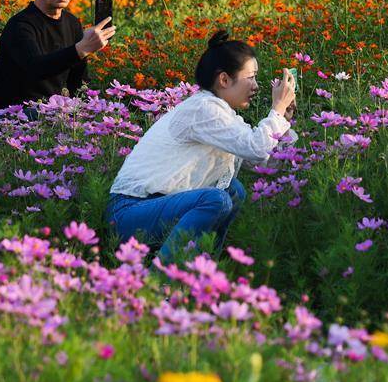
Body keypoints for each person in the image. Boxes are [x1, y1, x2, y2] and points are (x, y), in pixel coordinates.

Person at [106, 30, 297, 265]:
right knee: (216, 199)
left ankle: (199, 277)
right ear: (224, 80)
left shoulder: (225, 116)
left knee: (233, 191)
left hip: (158, 210)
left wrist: (284, 121)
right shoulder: (203, 109)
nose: (256, 86)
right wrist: (276, 110)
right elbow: (256, 148)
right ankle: (161, 284)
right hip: (130, 213)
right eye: (251, 78)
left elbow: (267, 162)